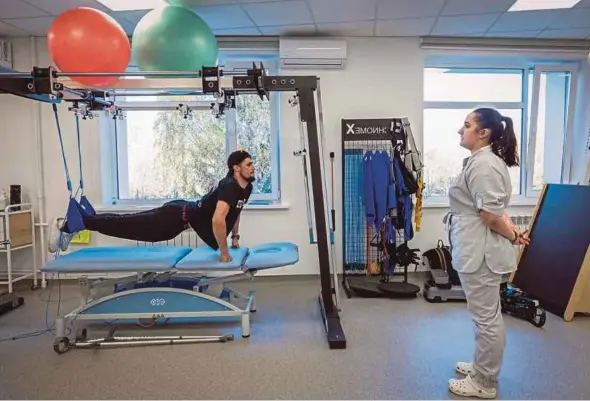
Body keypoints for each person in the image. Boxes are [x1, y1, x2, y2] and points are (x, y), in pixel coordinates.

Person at [445, 108, 530, 399]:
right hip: (476, 248)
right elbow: (493, 210)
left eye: (466, 125)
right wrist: (514, 234)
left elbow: (491, 215)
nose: (461, 130)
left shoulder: (485, 166)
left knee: (487, 319)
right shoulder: (481, 162)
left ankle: (485, 382)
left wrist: (510, 235)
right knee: (484, 316)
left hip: (481, 253)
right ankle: (481, 366)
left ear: (484, 133)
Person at [49, 150, 255, 263]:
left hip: (178, 215)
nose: (252, 167)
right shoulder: (229, 186)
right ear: (236, 168)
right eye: (248, 164)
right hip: (172, 218)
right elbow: (218, 219)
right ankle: (67, 224)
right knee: (126, 225)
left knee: (126, 223)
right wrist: (224, 251)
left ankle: (82, 222)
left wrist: (235, 237)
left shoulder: (245, 188)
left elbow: (236, 211)